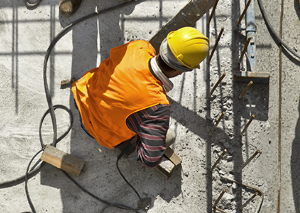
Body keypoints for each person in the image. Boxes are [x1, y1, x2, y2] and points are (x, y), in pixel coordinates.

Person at [71, 27, 209, 168]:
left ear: (164, 44)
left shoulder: (139, 47)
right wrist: (145, 128)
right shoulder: (157, 107)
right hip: (96, 130)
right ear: (181, 71)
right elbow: (150, 159)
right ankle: (127, 146)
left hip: (82, 94)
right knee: (169, 136)